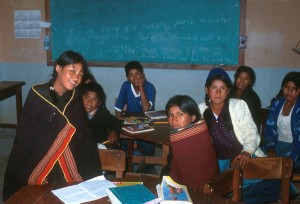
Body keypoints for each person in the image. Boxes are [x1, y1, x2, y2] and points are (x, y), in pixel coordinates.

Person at [2, 50, 101, 201]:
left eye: (80, 74)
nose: (76, 78)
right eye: (72, 71)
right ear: (58, 68)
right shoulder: (37, 94)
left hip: (70, 166)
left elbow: (84, 138)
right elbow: (26, 137)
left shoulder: (75, 98)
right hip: (39, 165)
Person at [199, 68, 298, 203]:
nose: (218, 92)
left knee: (267, 179)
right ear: (206, 89)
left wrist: (247, 151)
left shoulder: (238, 105)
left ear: (228, 91)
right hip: (221, 162)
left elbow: (251, 131)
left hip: (243, 157)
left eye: (222, 88)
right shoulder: (200, 111)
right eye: (213, 87)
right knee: (221, 188)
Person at [161, 95, 220, 190]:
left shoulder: (195, 137)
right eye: (171, 115)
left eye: (180, 114)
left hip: (203, 192)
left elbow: (193, 180)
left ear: (193, 118)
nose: (174, 120)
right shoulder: (184, 135)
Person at [115, 61, 156, 172]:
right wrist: (120, 120)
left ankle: (149, 168)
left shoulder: (150, 87)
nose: (135, 78)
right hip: (130, 121)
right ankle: (126, 169)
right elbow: (118, 109)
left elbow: (146, 108)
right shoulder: (125, 86)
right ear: (127, 77)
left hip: (147, 122)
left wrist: (141, 87)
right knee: (124, 144)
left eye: (137, 74)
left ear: (142, 75)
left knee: (148, 147)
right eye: (131, 75)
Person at [264, 72, 300, 169]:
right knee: (255, 159)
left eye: (294, 89)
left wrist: (290, 158)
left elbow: (298, 141)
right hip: (277, 144)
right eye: (286, 87)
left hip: (296, 149)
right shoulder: (276, 105)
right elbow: (269, 129)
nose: (289, 91)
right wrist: (270, 148)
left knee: (277, 167)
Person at [81, 82, 122, 147]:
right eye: (87, 97)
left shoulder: (102, 114)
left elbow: (118, 122)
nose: (89, 102)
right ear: (81, 98)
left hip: (100, 147)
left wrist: (114, 132)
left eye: (94, 99)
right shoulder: (76, 112)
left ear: (99, 103)